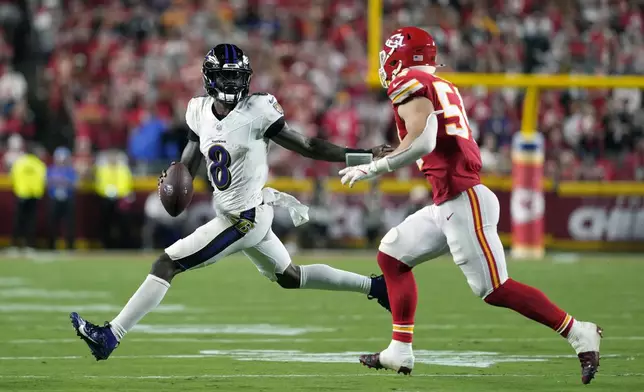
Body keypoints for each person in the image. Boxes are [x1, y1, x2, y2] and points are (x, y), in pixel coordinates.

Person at [70, 43, 392, 361]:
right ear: (209, 78)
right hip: (242, 212)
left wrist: (362, 154)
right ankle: (376, 288)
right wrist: (175, 179)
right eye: (225, 77)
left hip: (243, 218)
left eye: (237, 77)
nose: (232, 84)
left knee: (166, 264)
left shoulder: (259, 110)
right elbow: (190, 161)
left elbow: (307, 145)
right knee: (289, 277)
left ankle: (110, 335)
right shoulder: (197, 110)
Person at [339, 27, 602, 384]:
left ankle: (577, 331)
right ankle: (400, 350)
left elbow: (424, 139)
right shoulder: (440, 84)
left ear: (402, 57)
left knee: (494, 289)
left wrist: (376, 168)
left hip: (463, 198)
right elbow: (430, 139)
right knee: (392, 255)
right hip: (448, 199)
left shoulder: (411, 82)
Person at [10, 143, 46, 251]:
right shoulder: (39, 163)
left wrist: (18, 190)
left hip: (21, 194)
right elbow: (42, 180)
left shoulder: (19, 162)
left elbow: (13, 177)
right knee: (31, 221)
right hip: (33, 195)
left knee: (19, 220)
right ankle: (29, 244)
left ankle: (15, 244)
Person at [94, 150, 133, 249]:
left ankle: (123, 245)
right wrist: (106, 191)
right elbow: (99, 184)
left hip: (120, 200)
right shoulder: (103, 169)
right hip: (106, 200)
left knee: (122, 224)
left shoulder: (123, 169)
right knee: (105, 224)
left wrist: (118, 192)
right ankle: (106, 245)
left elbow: (127, 184)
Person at [47, 147, 78, 250]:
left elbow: (73, 184)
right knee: (52, 223)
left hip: (68, 199)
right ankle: (51, 246)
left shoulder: (71, 170)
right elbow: (48, 182)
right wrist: (62, 181)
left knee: (70, 223)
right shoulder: (51, 169)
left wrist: (59, 181)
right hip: (54, 199)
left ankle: (70, 246)